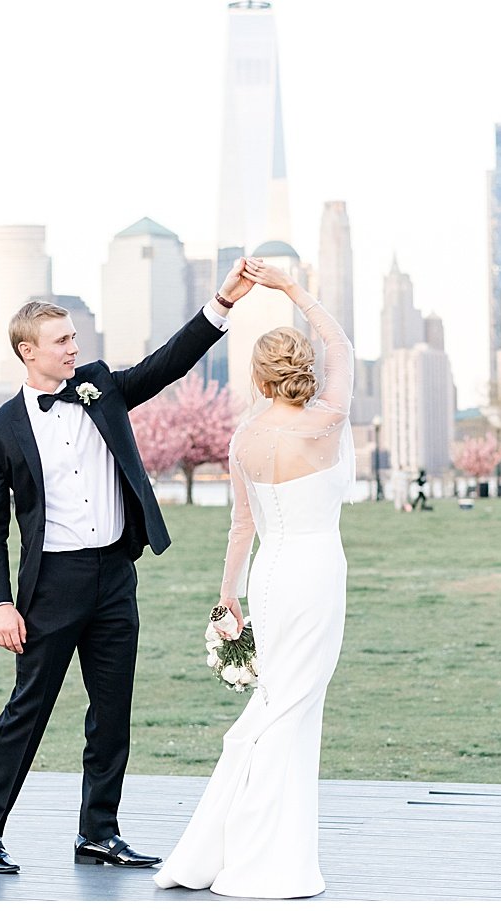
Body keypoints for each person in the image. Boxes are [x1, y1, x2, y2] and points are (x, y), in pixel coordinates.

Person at [0, 260, 256, 875]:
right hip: (51, 586)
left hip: (115, 576)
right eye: (62, 341)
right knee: (30, 706)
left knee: (112, 708)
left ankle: (99, 832)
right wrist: (0, 602)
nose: (75, 348)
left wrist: (223, 302)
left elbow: (167, 364)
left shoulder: (99, 386)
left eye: (74, 339)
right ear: (27, 351)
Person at [154, 259, 352, 899]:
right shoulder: (326, 424)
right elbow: (341, 346)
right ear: (300, 369)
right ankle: (267, 857)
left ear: (258, 377)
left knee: (277, 703)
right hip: (317, 570)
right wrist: (292, 289)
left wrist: (227, 593)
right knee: (294, 706)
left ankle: (241, 843)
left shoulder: (244, 439)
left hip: (269, 575)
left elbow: (243, 526)